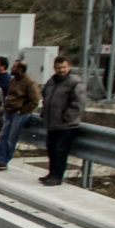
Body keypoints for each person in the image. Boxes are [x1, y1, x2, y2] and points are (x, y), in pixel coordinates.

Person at [40, 56, 87, 186]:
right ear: (54, 68)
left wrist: (66, 117)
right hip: (52, 123)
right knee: (51, 149)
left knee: (61, 150)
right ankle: (51, 173)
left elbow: (79, 102)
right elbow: (45, 96)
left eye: (64, 67)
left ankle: (57, 176)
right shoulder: (51, 81)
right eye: (59, 68)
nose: (62, 70)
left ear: (69, 67)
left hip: (67, 125)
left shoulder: (75, 82)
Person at [0, 60, 41, 172]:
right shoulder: (13, 80)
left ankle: (4, 160)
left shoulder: (29, 82)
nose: (11, 69)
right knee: (3, 137)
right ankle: (0, 160)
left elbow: (35, 99)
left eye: (14, 67)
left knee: (11, 139)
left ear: (20, 69)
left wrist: (22, 111)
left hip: (19, 114)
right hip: (9, 112)